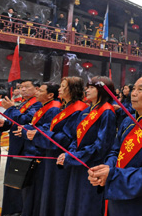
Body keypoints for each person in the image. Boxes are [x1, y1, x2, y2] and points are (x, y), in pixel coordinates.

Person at [87, 72, 142, 215]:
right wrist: (106, 169)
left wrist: (113, 175)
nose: (134, 93)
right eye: (133, 89)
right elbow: (115, 151)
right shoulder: (128, 121)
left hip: (141, 202)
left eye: (140, 89)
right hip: (116, 193)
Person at [57, 76, 116, 216]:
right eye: (87, 87)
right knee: (74, 201)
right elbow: (75, 137)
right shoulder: (87, 110)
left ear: (102, 90)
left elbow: (101, 146)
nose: (87, 90)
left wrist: (73, 156)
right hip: (78, 162)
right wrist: (68, 153)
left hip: (92, 165)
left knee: (87, 204)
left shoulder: (107, 112)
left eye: (91, 87)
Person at [29, 77, 88, 216]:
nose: (59, 90)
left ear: (73, 90)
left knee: (59, 191)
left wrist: (41, 135)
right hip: (52, 154)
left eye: (63, 87)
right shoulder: (65, 106)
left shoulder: (79, 109)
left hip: (62, 156)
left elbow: (67, 138)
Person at [0, 80, 42, 216]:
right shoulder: (24, 103)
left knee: (19, 179)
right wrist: (4, 123)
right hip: (16, 143)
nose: (23, 89)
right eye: (21, 87)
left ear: (37, 89)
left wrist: (11, 108)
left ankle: (19, 210)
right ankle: (13, 209)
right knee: (12, 179)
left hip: (25, 146)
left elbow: (25, 120)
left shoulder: (37, 104)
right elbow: (14, 121)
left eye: (27, 87)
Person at [15, 83, 62, 215]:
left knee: (35, 187)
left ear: (50, 95)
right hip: (32, 148)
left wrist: (27, 131)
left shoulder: (54, 108)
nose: (37, 92)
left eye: (40, 90)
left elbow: (46, 130)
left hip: (39, 152)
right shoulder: (45, 106)